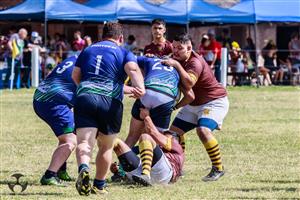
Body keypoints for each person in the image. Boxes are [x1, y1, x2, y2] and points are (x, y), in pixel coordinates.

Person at [72, 22, 145, 196]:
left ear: (102, 36)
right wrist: (140, 87)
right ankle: (99, 184)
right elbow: (132, 69)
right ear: (120, 38)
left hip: (85, 96)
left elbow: (75, 75)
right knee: (105, 146)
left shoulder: (88, 50)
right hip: (110, 101)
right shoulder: (123, 52)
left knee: (84, 142)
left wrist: (86, 88)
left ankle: (84, 167)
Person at [162, 34, 229, 182]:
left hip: (213, 102)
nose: (176, 51)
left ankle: (218, 168)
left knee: (203, 130)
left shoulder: (195, 62)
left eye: (180, 48)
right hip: (192, 104)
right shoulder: (177, 58)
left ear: (189, 48)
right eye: (174, 47)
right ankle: (178, 166)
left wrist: (176, 65)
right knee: (173, 134)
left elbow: (189, 83)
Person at [124, 55, 195, 148]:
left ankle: (122, 161)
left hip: (147, 92)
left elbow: (129, 59)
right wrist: (174, 107)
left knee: (132, 136)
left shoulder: (149, 59)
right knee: (156, 140)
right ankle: (150, 161)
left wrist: (136, 81)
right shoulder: (178, 69)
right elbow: (190, 96)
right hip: (166, 97)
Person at [33, 56, 78, 186]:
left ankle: (60, 170)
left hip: (43, 96)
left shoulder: (76, 56)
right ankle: (49, 175)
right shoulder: (89, 63)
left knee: (67, 137)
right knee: (70, 140)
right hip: (53, 102)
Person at [113, 108, 184, 186]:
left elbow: (152, 132)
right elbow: (130, 151)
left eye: (168, 134)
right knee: (117, 143)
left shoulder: (176, 145)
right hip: (145, 173)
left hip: (164, 175)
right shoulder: (156, 148)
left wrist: (146, 116)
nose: (164, 134)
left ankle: (145, 174)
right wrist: (119, 168)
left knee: (145, 137)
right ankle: (121, 175)